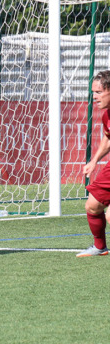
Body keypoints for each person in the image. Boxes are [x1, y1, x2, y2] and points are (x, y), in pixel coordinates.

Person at [78, 70, 110, 257]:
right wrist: (94, 160)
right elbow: (108, 140)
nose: (95, 98)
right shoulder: (107, 116)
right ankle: (100, 247)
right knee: (92, 205)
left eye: (98, 92)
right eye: (93, 93)